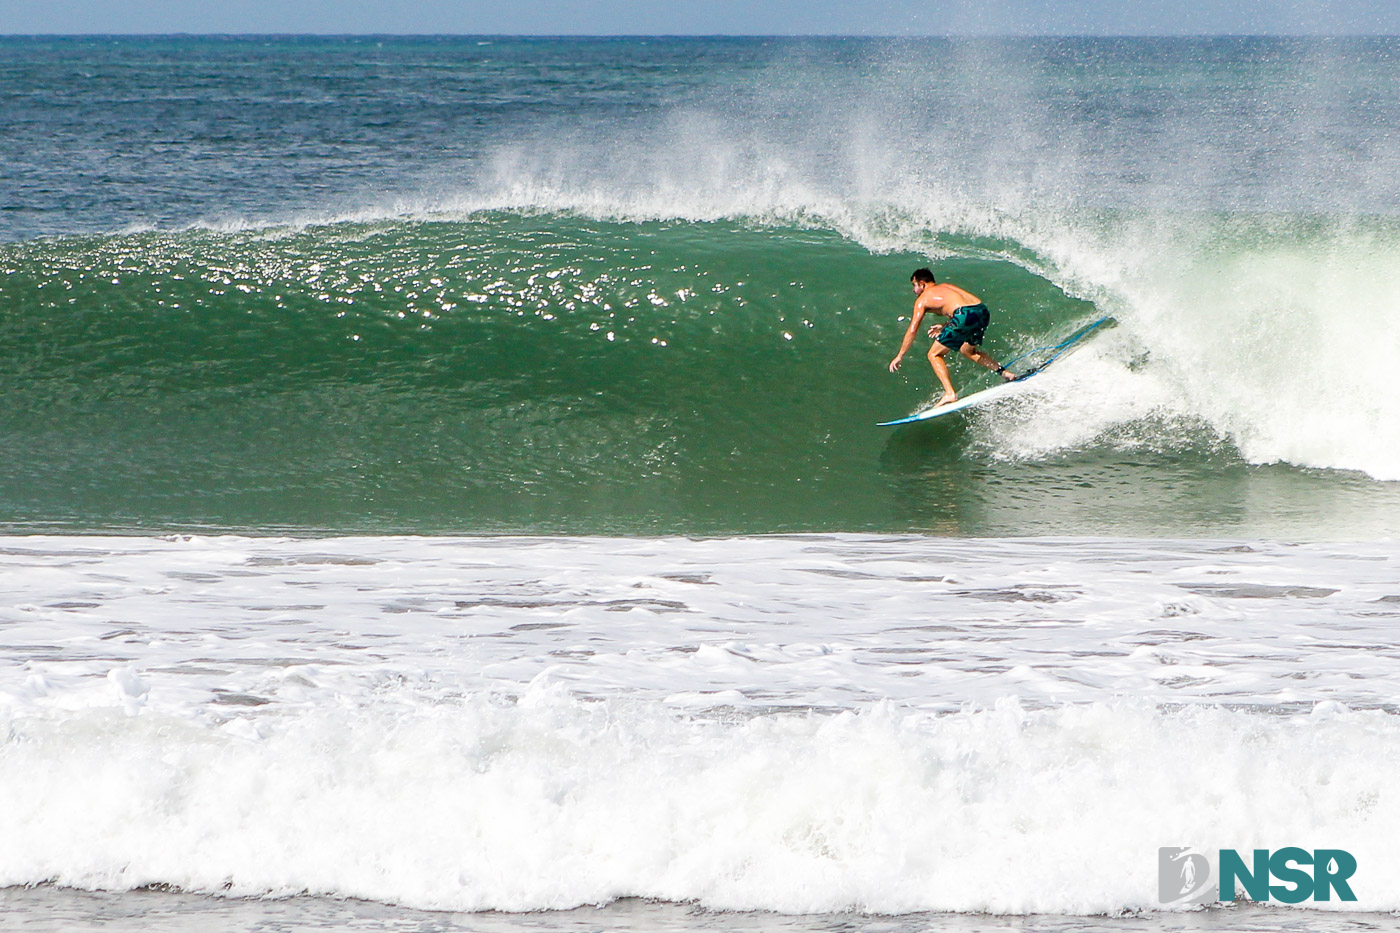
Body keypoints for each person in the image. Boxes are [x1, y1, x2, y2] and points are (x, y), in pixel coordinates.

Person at [887, 268, 1016, 406]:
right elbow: (966, 308)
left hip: (963, 316)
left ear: (922, 283)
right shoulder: (947, 286)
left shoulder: (922, 300)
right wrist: (945, 326)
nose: (913, 290)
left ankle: (949, 393)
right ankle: (1006, 373)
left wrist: (900, 355)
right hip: (981, 311)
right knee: (968, 351)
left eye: (914, 285)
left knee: (934, 354)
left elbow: (913, 329)